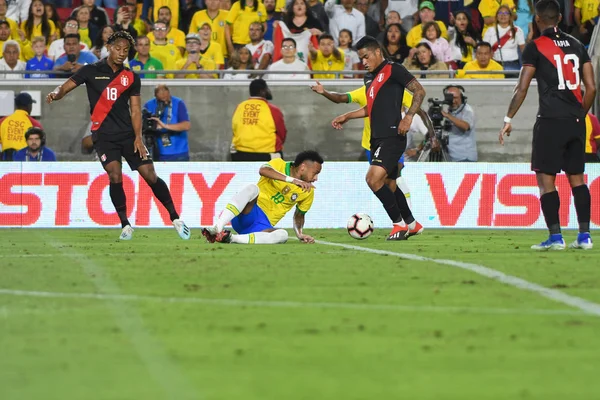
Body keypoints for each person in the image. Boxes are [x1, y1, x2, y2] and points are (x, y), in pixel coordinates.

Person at [46, 31, 191, 241]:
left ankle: (175, 218)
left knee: (150, 174)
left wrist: (138, 138)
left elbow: (135, 109)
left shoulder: (131, 77)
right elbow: (66, 87)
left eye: (125, 50)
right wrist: (55, 93)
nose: (122, 53)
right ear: (109, 47)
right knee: (115, 174)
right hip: (103, 136)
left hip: (128, 135)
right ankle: (125, 224)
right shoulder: (90, 70)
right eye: (118, 49)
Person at [499, 0, 596, 250]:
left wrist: (508, 119)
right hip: (576, 122)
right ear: (561, 18)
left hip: (550, 122)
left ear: (538, 20)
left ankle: (555, 238)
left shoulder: (535, 47)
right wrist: (579, 115)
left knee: (546, 182)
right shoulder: (577, 45)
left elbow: (521, 88)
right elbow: (592, 87)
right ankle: (584, 236)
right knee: (578, 179)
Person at [331, 35, 425, 240]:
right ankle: (412, 224)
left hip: (392, 135)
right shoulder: (369, 78)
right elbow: (370, 107)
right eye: (361, 58)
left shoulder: (394, 69)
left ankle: (399, 225)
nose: (363, 62)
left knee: (372, 179)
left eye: (366, 57)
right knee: (390, 184)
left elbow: (419, 91)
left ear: (377, 52)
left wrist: (408, 117)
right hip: (377, 138)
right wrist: (348, 115)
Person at [310, 81, 433, 209]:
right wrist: (324, 92)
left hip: (392, 143)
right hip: (371, 145)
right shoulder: (364, 91)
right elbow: (341, 97)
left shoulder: (397, 90)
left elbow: (420, 111)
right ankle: (401, 215)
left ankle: (406, 214)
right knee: (384, 182)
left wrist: (432, 135)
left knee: (396, 176)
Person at [202, 150, 323, 244]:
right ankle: (218, 227)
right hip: (248, 212)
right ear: (303, 168)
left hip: (262, 227)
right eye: (315, 173)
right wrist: (292, 180)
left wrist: (299, 234)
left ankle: (231, 238)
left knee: (283, 235)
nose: (316, 178)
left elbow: (299, 215)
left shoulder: (308, 191)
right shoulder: (278, 163)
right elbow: (263, 170)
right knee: (252, 188)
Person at [230, 79, 286, 161]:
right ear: (262, 91)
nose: (269, 91)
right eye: (267, 89)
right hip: (266, 154)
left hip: (240, 154)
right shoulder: (273, 110)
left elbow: (235, 129)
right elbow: (282, 133)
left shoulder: (239, 107)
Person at [143, 84, 192, 161]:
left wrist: (164, 126)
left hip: (179, 153)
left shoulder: (178, 103)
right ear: (155, 96)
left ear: (169, 93)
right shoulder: (148, 105)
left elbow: (186, 125)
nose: (165, 101)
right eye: (161, 100)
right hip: (157, 151)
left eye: (166, 98)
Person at [0, 92, 43, 161]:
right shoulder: (35, 124)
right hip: (25, 161)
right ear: (29, 106)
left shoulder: (2, 121)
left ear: (16, 106)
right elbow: (39, 147)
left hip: (5, 161)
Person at [482, 5, 526, 70]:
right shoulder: (490, 30)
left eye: (506, 13)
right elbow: (484, 48)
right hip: (495, 64)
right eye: (500, 13)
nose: (503, 15)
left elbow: (523, 50)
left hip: (513, 65)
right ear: (496, 16)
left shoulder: (517, 30)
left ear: (510, 16)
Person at [441, 85, 477, 162]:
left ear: (462, 97)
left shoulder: (467, 110)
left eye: (456, 98)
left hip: (464, 158)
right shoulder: (451, 110)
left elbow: (466, 126)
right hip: (452, 158)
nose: (453, 101)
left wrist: (448, 116)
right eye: (451, 98)